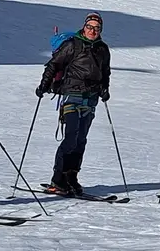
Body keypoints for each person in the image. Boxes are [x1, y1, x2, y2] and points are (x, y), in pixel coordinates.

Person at [36, 12, 111, 196]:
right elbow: (53, 64)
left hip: (90, 99)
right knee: (71, 138)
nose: (93, 31)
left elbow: (105, 72)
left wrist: (105, 89)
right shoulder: (72, 45)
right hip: (72, 95)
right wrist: (44, 85)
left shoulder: (103, 49)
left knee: (81, 141)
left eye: (96, 28)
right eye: (90, 27)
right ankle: (58, 179)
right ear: (84, 27)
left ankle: (72, 177)